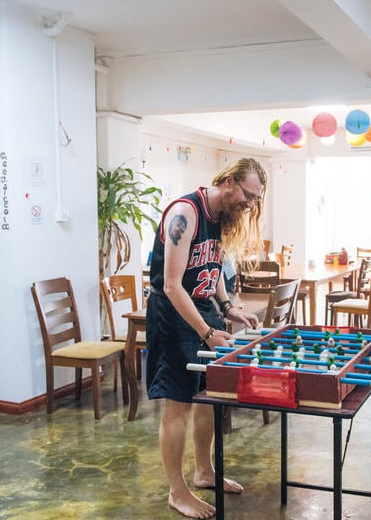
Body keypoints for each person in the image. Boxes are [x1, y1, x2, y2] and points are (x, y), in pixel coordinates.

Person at [145, 157, 266, 519]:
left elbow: (208, 269)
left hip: (201, 312)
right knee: (178, 404)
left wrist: (227, 308)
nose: (249, 204)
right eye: (247, 194)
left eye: (255, 199)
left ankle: (204, 472)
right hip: (172, 317)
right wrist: (207, 331)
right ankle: (176, 491)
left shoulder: (218, 218)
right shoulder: (186, 213)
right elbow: (170, 284)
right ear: (228, 181)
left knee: (209, 399)